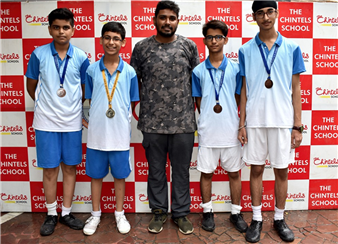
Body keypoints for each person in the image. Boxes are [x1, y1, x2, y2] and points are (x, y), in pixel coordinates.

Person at [238, 0, 305, 242]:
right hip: (255, 121)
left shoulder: (292, 47)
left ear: (276, 13)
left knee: (282, 172)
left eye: (269, 12)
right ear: (254, 17)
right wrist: (242, 123)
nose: (265, 17)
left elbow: (296, 89)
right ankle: (256, 218)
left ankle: (279, 218)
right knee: (256, 169)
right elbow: (244, 89)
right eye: (260, 13)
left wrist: (297, 126)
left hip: (282, 121)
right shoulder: (245, 50)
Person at [130, 0, 200, 235]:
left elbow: (198, 84)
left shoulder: (189, 47)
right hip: (151, 124)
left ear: (177, 20)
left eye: (172, 18)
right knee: (156, 171)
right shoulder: (141, 48)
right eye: (163, 17)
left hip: (183, 124)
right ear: (154, 19)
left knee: (181, 172)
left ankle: (180, 214)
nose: (167, 22)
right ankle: (159, 212)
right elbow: (132, 83)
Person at [25, 8, 90, 236]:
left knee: (70, 168)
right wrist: (45, 104)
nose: (61, 31)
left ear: (73, 29)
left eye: (66, 27)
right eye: (56, 27)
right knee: (50, 170)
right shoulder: (38, 54)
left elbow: (84, 89)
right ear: (50, 28)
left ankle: (66, 212)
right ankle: (51, 213)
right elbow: (31, 85)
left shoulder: (81, 56)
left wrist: (75, 110)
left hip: (72, 123)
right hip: (45, 123)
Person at [82, 22, 139, 236]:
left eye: (116, 38)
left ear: (123, 43)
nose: (111, 42)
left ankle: (119, 213)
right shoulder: (91, 69)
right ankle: (95, 214)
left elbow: (132, 103)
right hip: (96, 136)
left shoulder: (130, 71)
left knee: (119, 176)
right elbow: (88, 99)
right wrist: (88, 120)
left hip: (119, 136)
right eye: (107, 37)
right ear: (101, 40)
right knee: (95, 176)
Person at [192, 20, 247, 233]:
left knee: (234, 173)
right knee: (206, 173)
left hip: (231, 131)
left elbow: (237, 98)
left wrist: (238, 123)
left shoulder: (235, 69)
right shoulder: (198, 71)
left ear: (226, 39)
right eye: (210, 37)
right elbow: (199, 102)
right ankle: (207, 211)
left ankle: (236, 212)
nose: (214, 41)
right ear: (204, 40)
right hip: (207, 132)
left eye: (218, 37)